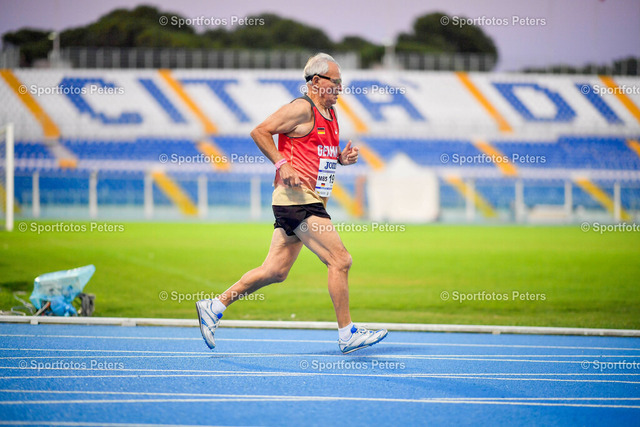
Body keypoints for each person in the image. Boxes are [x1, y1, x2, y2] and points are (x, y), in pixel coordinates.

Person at [196, 53, 387, 354]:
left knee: (275, 271)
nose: (340, 88)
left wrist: (340, 159)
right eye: (336, 82)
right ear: (316, 81)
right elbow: (259, 131)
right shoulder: (301, 108)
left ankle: (214, 306)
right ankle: (347, 333)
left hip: (309, 201)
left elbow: (317, 152)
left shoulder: (331, 114)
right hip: (297, 200)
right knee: (340, 260)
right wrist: (281, 163)